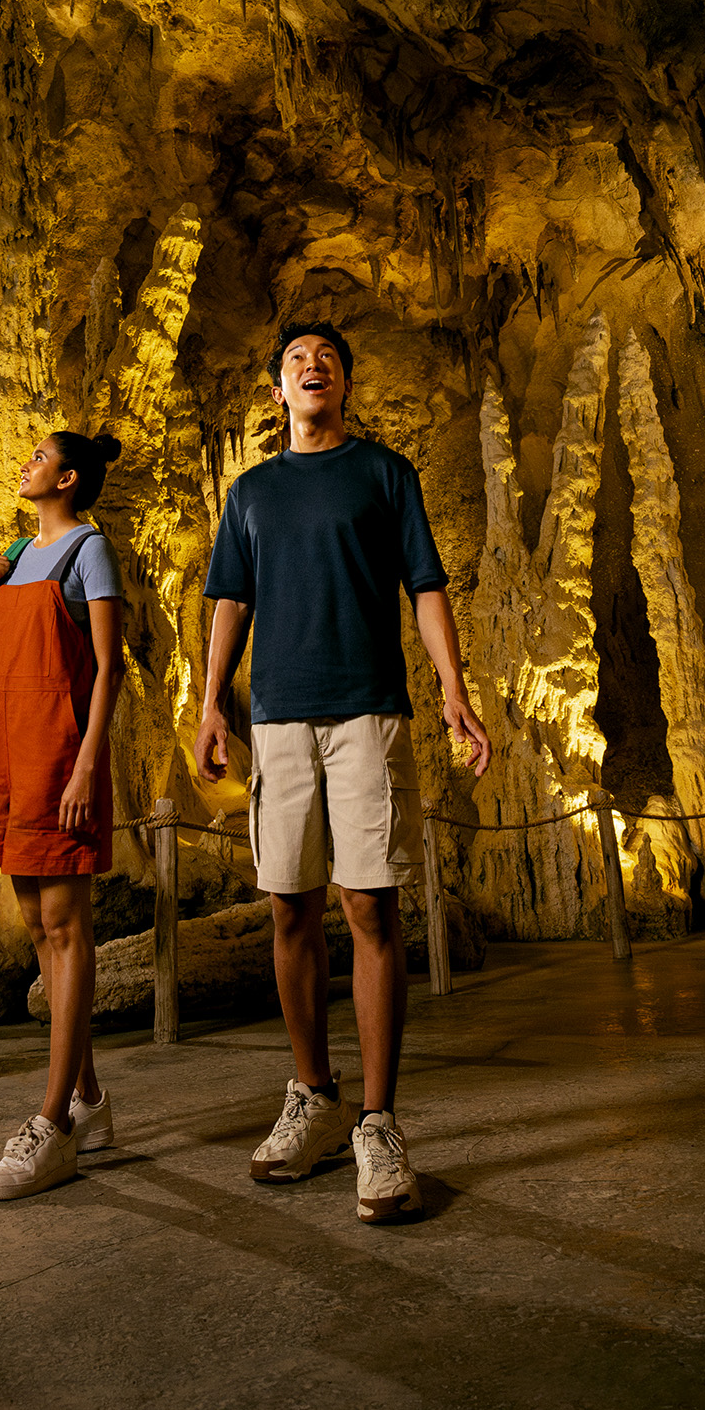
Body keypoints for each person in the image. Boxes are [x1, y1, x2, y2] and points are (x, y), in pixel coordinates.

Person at [196, 321, 492, 1224]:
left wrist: (451, 685)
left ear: (344, 384)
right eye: (293, 359)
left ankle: (376, 1120)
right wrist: (212, 701)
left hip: (367, 709)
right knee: (290, 903)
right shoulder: (248, 493)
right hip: (279, 715)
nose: (309, 365)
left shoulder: (383, 474)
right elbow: (228, 600)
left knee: (370, 903)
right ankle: (312, 1096)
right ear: (276, 390)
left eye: (324, 357)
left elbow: (424, 583)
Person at [0, 429, 132, 1204]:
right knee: (38, 929)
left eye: (37, 455)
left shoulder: (86, 552)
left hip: (59, 755)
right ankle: (89, 1099)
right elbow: (1, 661)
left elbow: (107, 666)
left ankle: (52, 1126)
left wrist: (88, 762)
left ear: (67, 478)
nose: (23, 462)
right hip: (7, 752)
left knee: (66, 929)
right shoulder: (13, 555)